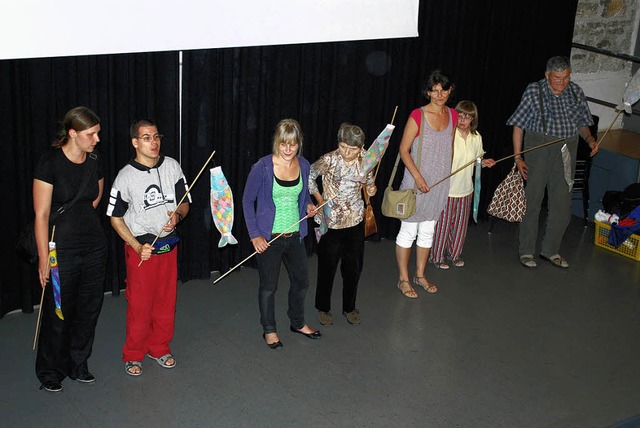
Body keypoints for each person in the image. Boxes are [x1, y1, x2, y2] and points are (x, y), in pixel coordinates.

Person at [107, 119, 190, 376]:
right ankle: (133, 354)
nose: (153, 142)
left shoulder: (172, 166)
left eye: (156, 136)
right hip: (141, 249)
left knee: (166, 302)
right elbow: (115, 217)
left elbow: (185, 202)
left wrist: (178, 216)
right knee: (140, 305)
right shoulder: (125, 177)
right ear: (135, 142)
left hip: (168, 247)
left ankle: (159, 348)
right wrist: (135, 244)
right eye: (146, 138)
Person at [33, 106, 107, 392]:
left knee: (89, 309)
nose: (97, 139)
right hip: (59, 250)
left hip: (94, 247)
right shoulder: (50, 162)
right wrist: (43, 258)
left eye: (98, 133)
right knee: (59, 311)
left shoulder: (94, 161)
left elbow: (94, 200)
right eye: (91, 134)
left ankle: (78, 364)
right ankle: (50, 371)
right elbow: (41, 214)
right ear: (73, 133)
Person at [507, 56, 598, 269]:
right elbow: (518, 125)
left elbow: (582, 124)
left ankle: (550, 250)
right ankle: (526, 251)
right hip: (539, 147)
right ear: (547, 75)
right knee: (533, 200)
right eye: (557, 78)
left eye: (565, 78)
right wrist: (518, 157)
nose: (561, 83)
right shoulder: (534, 91)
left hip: (567, 150)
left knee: (562, 204)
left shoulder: (575, 92)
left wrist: (590, 138)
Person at [242, 118, 321, 349]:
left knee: (302, 282)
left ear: (299, 143)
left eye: (293, 144)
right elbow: (247, 201)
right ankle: (269, 329)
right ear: (277, 142)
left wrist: (308, 205)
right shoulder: (263, 167)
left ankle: (296, 322)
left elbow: (302, 195)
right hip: (269, 237)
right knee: (269, 286)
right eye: (284, 144)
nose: (288, 149)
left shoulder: (304, 165)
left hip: (295, 235)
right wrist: (255, 234)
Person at [395, 70, 458, 299]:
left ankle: (420, 275)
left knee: (428, 230)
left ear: (450, 90)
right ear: (428, 92)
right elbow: (403, 150)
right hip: (415, 182)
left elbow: (449, 148)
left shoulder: (453, 115)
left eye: (443, 90)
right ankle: (403, 278)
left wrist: (448, 175)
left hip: (439, 184)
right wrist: (419, 178)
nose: (439, 95)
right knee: (409, 230)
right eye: (434, 90)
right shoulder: (418, 115)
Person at [309, 123, 377, 326]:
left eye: (353, 149)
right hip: (331, 222)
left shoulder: (367, 159)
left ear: (361, 146)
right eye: (343, 146)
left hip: (355, 220)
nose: (347, 152)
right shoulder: (329, 159)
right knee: (327, 267)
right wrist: (320, 200)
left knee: (353, 268)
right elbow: (310, 176)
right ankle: (323, 307)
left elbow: (369, 182)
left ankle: (349, 307)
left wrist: (372, 188)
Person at [431, 101, 495, 269]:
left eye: (467, 117)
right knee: (443, 225)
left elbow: (477, 160)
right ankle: (437, 257)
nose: (463, 120)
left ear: (473, 119)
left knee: (459, 227)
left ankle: (454, 254)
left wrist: (483, 162)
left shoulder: (476, 137)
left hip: (466, 189)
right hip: (447, 189)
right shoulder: (449, 134)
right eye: (460, 116)